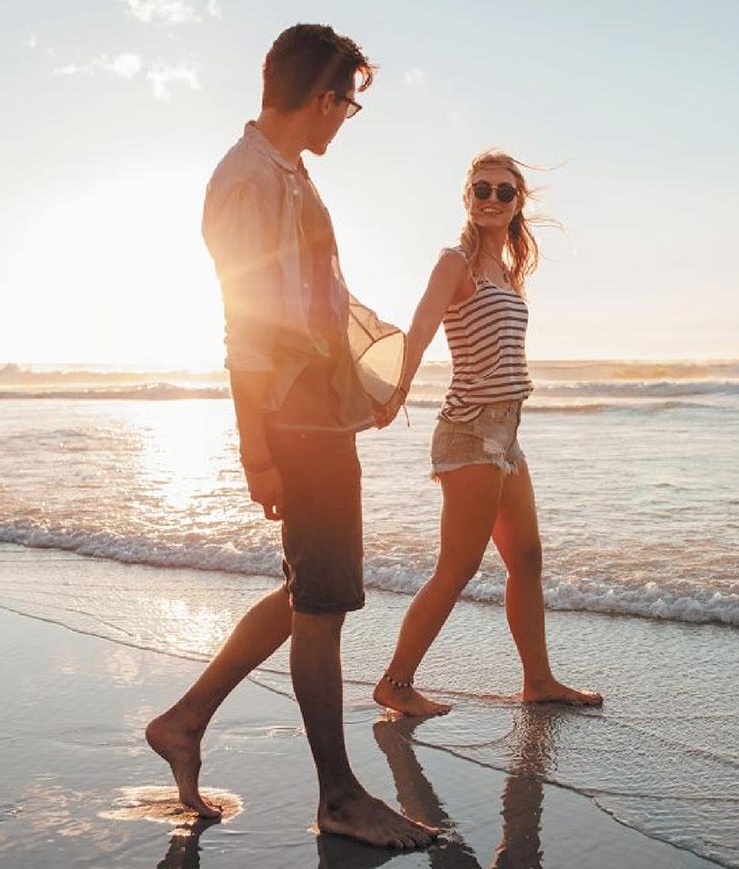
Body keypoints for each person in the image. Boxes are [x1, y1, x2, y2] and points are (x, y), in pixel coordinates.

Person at [146, 24, 435, 849]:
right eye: (346, 101)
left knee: (310, 588)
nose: (345, 117)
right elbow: (246, 323)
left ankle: (185, 718)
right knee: (324, 599)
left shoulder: (292, 178)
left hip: (318, 408)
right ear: (320, 97)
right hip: (292, 420)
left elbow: (315, 306)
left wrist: (366, 384)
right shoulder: (246, 180)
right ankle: (339, 796)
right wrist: (256, 447)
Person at [373, 151, 604, 717]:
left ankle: (539, 681)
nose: (492, 199)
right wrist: (397, 389)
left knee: (526, 557)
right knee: (458, 566)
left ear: (517, 203)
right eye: (482, 189)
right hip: (470, 431)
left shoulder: (507, 271)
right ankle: (395, 683)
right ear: (467, 197)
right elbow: (422, 328)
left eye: (504, 192)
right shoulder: (457, 263)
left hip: (507, 434)